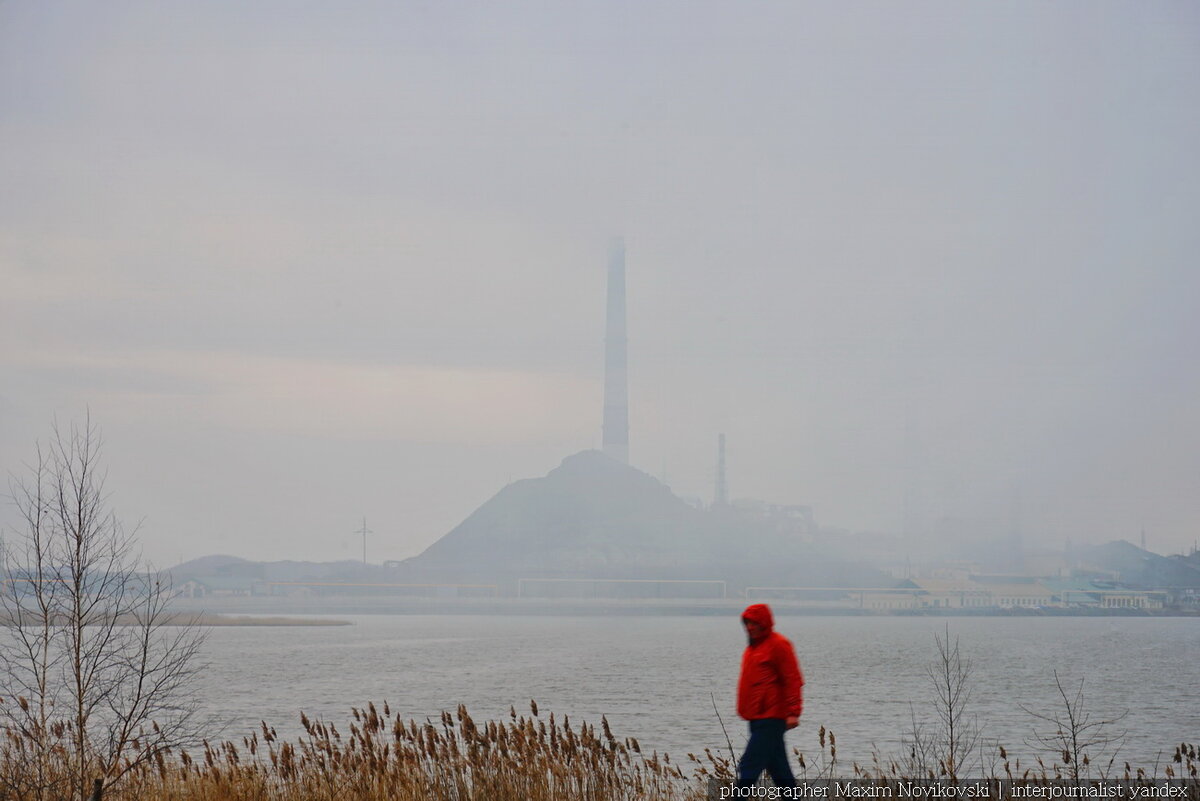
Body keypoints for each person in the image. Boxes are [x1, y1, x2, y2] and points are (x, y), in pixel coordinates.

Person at [735, 602, 804, 789]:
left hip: (771, 718)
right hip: (756, 718)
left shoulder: (779, 644)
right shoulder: (753, 648)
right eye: (747, 623)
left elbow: (793, 679)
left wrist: (793, 712)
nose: (750, 627)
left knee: (748, 765)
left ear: (764, 623)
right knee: (781, 773)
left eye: (754, 623)